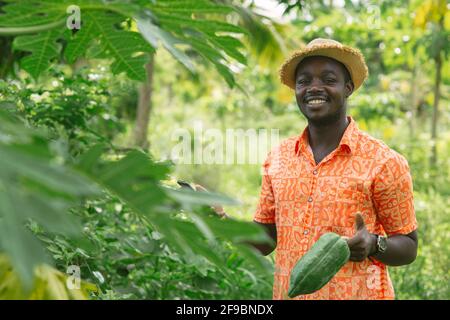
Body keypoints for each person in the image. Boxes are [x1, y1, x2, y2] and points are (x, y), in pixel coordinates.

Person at [198, 38, 418, 300]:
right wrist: (219, 221)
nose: (314, 88)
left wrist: (373, 243)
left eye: (328, 79)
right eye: (304, 81)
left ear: (348, 88)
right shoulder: (278, 158)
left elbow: (408, 246)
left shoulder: (383, 161)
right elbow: (265, 240)